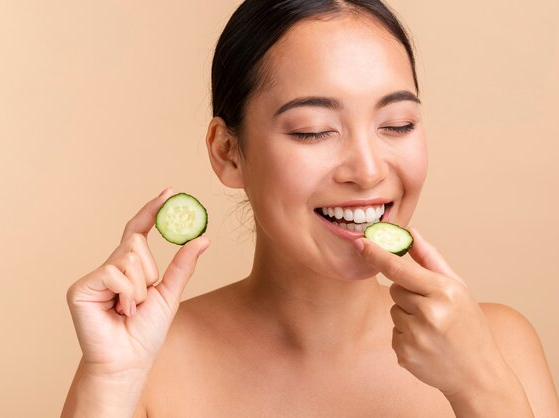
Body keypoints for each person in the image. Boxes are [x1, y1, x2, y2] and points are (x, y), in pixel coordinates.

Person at [61, 1, 559, 416]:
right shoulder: (149, 364)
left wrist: (482, 388)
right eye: (313, 130)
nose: (367, 171)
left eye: (398, 124)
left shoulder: (500, 346)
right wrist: (110, 384)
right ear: (227, 152)